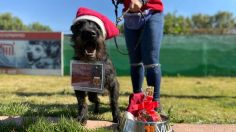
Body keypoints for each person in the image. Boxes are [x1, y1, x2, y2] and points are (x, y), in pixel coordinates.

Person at [118, 0, 164, 111]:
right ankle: (137, 98)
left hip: (152, 12)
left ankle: (152, 101)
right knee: (135, 61)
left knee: (150, 61)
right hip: (130, 15)